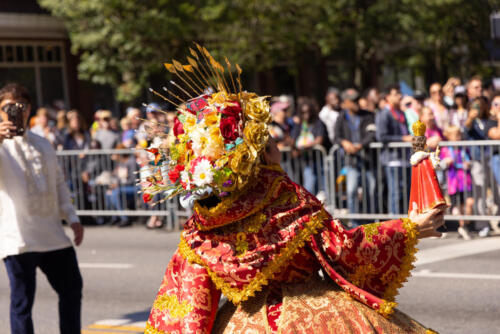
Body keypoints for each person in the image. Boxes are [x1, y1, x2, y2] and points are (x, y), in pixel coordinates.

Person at [141, 49, 445, 334]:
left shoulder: (201, 226)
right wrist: (410, 229)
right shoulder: (285, 199)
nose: (279, 148)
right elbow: (343, 248)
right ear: (258, 155)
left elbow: (188, 308)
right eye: (271, 142)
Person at [0, 83, 83, 334]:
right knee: (23, 302)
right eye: (8, 107)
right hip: (18, 238)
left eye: (22, 106)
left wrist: (72, 217)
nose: (16, 111)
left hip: (52, 235)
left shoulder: (42, 142)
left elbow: (58, 182)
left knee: (71, 289)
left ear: (29, 109)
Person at [334, 88, 376, 226]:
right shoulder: (341, 117)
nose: (356, 103)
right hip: (351, 162)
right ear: (345, 103)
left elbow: (372, 134)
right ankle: (355, 221)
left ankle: (370, 220)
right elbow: (336, 137)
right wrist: (344, 143)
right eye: (352, 101)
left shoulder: (368, 115)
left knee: (371, 189)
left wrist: (360, 145)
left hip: (368, 160)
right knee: (351, 190)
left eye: (357, 100)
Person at [464, 96, 499, 237]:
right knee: (480, 192)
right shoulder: (471, 122)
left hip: (490, 158)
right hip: (477, 159)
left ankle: (496, 219)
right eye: (474, 106)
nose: (477, 109)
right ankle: (482, 224)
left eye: (480, 106)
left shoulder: (488, 120)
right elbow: (464, 131)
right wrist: (470, 118)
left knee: (496, 190)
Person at [376, 84, 413, 214]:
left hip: (404, 158)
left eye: (399, 93)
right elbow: (381, 136)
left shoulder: (401, 113)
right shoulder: (384, 114)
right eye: (395, 94)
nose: (399, 96)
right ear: (388, 97)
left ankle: (404, 222)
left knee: (406, 192)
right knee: (395, 193)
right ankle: (395, 224)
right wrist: (403, 139)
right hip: (392, 160)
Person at [291, 99, 330, 197]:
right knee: (309, 187)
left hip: (320, 160)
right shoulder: (299, 125)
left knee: (324, 189)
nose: (306, 114)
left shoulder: (318, 123)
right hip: (306, 162)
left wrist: (305, 146)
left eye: (308, 112)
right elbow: (293, 140)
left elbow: (319, 140)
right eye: (303, 112)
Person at [440, 126, 474, 240]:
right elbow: (441, 164)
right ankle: (462, 226)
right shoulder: (445, 150)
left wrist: (469, 164)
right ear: (449, 137)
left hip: (465, 181)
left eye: (459, 134)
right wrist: (446, 161)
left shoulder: (463, 148)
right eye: (455, 135)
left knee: (469, 203)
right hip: (453, 182)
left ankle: (464, 225)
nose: (458, 137)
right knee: (458, 206)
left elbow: (470, 160)